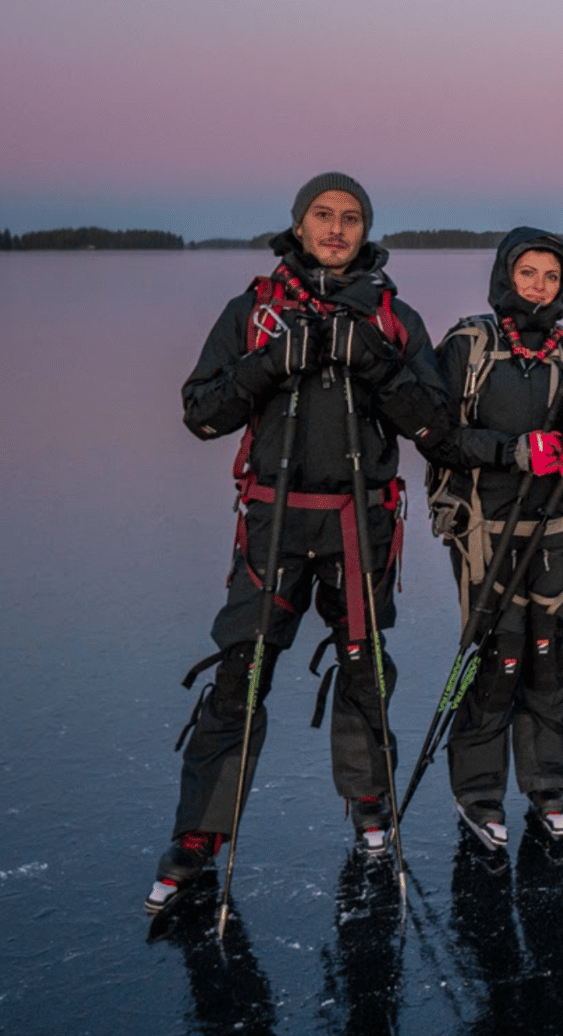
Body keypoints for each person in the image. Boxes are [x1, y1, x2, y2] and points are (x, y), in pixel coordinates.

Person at [147, 172, 454, 913]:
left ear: (365, 230)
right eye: (324, 215)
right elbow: (202, 413)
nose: (337, 229)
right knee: (241, 672)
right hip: (273, 521)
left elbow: (437, 428)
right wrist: (269, 363)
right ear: (299, 222)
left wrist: (373, 362)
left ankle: (370, 803)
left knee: (363, 668)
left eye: (351, 218)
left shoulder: (392, 316)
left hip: (359, 519)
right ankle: (199, 835)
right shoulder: (254, 311)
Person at [426, 227, 563, 848]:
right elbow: (436, 434)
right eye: (528, 273)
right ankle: (479, 790)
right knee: (497, 656)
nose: (539, 286)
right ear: (506, 275)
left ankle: (547, 785)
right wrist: (511, 451)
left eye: (551, 276)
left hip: (555, 527)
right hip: (485, 528)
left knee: (548, 655)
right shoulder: (468, 345)